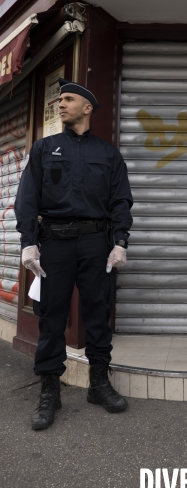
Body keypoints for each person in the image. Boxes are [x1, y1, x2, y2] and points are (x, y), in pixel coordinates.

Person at [15, 79, 133, 430]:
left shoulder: (108, 154)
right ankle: (50, 390)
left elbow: (121, 200)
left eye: (68, 99)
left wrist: (120, 241)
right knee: (52, 319)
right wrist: (28, 241)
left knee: (98, 313)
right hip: (55, 243)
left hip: (96, 244)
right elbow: (28, 198)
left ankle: (99, 383)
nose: (60, 104)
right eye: (59, 99)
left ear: (87, 108)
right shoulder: (44, 148)